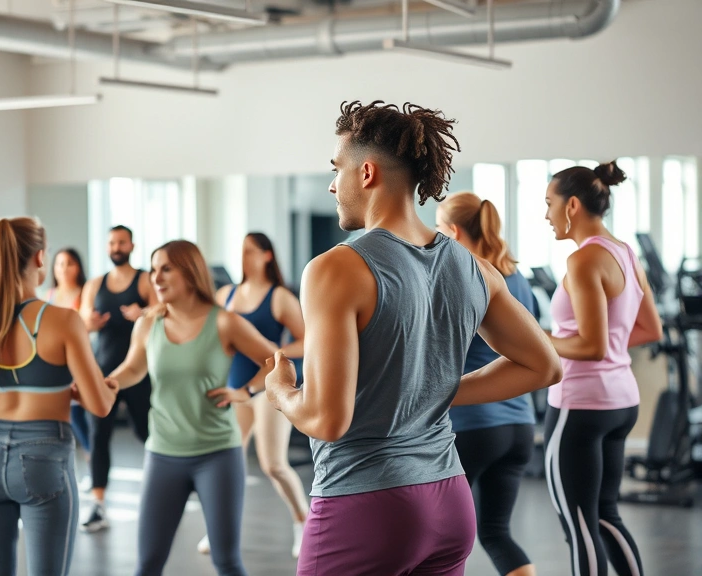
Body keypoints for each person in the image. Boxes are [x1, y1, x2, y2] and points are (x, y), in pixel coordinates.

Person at [263, 100, 563, 576]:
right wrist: (433, 389)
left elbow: (326, 419)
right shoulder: (473, 268)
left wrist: (280, 392)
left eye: (335, 169)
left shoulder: (334, 268)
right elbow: (544, 366)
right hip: (449, 500)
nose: (331, 184)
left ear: (365, 173)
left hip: (365, 502)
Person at [0, 218, 117, 576]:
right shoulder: (64, 321)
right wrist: (98, 389)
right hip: (43, 458)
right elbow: (100, 405)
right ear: (39, 258)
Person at [105, 239, 278, 576]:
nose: (156, 277)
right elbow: (134, 368)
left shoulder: (224, 322)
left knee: (226, 561)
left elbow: (275, 360)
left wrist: (247, 391)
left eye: (166, 268)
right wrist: (112, 381)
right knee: (147, 564)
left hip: (218, 454)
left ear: (190, 271)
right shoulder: (147, 324)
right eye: (153, 269)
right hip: (163, 454)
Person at [543, 162, 662, 576]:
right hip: (621, 400)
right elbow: (650, 327)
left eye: (549, 204)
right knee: (607, 515)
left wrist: (541, 340)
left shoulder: (583, 260)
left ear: (572, 205)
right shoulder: (625, 253)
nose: (546, 215)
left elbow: (590, 346)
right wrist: (606, 343)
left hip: (580, 405)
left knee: (579, 525)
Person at [436, 193, 538, 576]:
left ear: (454, 231)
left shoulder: (464, 274)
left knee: (435, 538)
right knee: (495, 532)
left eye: (438, 230)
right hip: (519, 426)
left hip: (473, 425)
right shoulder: (515, 275)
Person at [199, 232, 308, 558]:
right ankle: (216, 529)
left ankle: (303, 521)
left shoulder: (279, 297)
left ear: (266, 256)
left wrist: (274, 352)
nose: (243, 257)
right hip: (236, 390)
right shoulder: (226, 294)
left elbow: (307, 340)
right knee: (224, 463)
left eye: (250, 251)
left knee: (272, 464)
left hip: (267, 389)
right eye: (241, 251)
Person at [79, 225, 156, 532]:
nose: (116, 247)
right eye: (111, 242)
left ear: (131, 245)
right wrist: (91, 324)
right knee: (99, 436)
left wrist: (144, 313)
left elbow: (162, 311)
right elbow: (83, 323)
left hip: (137, 371)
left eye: (121, 242)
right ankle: (98, 505)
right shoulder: (95, 284)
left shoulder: (145, 280)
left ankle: (161, 491)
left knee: (146, 432)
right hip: (104, 373)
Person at [47, 247, 92, 454]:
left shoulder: (86, 294)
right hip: (55, 362)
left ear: (78, 267)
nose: (64, 269)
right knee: (66, 415)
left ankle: (94, 456)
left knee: (80, 414)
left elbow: (86, 327)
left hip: (80, 360)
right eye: (60, 264)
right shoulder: (48, 296)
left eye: (69, 263)